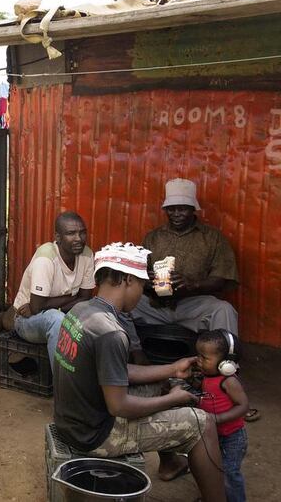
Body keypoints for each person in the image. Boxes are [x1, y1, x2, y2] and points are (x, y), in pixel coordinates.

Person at [53, 242, 226, 502]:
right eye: (141, 285)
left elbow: (116, 371)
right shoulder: (111, 332)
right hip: (97, 436)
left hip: (72, 421)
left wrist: (172, 369)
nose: (142, 293)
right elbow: (119, 406)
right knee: (203, 423)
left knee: (162, 384)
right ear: (126, 280)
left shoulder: (82, 310)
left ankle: (170, 464)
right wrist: (174, 400)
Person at [130, 178, 258, 420]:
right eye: (172, 208)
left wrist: (192, 284)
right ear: (166, 209)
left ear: (193, 209)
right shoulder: (152, 238)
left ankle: (228, 385)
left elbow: (225, 279)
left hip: (192, 305)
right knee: (122, 305)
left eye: (183, 208)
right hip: (155, 305)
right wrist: (148, 282)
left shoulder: (212, 238)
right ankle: (136, 361)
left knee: (223, 309)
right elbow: (137, 275)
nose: (177, 213)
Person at [5, 212, 94, 368]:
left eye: (82, 232)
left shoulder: (86, 254)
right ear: (58, 237)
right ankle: (63, 386)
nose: (78, 238)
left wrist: (53, 303)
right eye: (71, 233)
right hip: (27, 320)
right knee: (56, 319)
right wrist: (74, 298)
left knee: (97, 314)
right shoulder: (46, 258)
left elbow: (86, 298)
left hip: (60, 313)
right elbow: (37, 308)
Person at [195, 330, 249, 502]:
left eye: (204, 358)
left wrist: (216, 418)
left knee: (229, 473)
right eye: (198, 356)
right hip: (213, 434)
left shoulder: (229, 381)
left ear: (225, 363)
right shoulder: (207, 375)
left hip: (232, 437)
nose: (199, 361)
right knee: (211, 468)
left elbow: (243, 406)